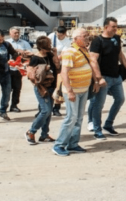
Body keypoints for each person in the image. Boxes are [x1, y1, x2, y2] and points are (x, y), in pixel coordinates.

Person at [87, 17, 126, 139]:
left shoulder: (116, 38)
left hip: (116, 77)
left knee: (120, 99)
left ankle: (108, 124)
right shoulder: (97, 41)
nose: (115, 29)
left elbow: (120, 54)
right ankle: (97, 130)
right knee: (98, 104)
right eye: (113, 26)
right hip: (104, 78)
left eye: (116, 26)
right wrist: (98, 78)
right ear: (106, 27)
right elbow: (93, 60)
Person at [52, 28, 96, 156]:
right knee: (71, 118)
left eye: (87, 36)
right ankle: (59, 145)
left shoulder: (83, 50)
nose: (87, 38)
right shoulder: (70, 52)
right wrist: (70, 91)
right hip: (73, 91)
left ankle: (73, 143)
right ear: (76, 39)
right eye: (84, 36)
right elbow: (64, 72)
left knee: (79, 118)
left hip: (83, 90)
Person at [25, 36, 59, 145]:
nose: (49, 47)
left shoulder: (50, 55)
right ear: (41, 47)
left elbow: (58, 66)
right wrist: (42, 72)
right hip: (42, 88)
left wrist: (55, 55)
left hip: (51, 86)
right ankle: (31, 131)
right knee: (45, 111)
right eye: (47, 46)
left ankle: (44, 134)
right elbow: (30, 74)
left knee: (48, 112)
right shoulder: (35, 58)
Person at [6, 27, 34, 113]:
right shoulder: (7, 43)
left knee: (17, 88)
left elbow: (31, 53)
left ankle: (14, 105)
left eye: (18, 33)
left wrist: (24, 51)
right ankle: (4, 106)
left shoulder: (24, 43)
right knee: (7, 89)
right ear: (10, 33)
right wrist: (15, 51)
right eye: (14, 33)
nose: (16, 34)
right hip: (8, 69)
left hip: (19, 69)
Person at [49, 26, 70, 117]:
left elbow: (63, 54)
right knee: (48, 85)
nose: (59, 36)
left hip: (60, 65)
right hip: (50, 63)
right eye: (57, 34)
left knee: (58, 86)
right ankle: (45, 108)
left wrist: (56, 58)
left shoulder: (67, 41)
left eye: (61, 35)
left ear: (65, 34)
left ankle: (56, 108)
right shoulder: (51, 36)